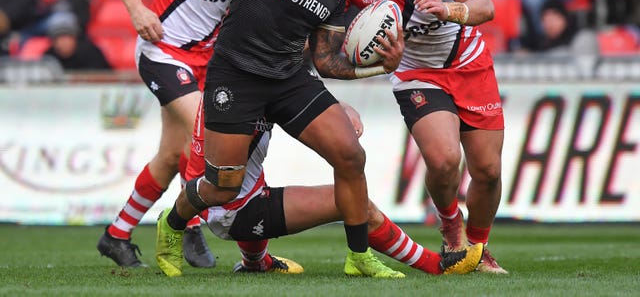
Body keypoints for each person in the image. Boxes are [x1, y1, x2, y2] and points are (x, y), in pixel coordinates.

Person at [155, 0, 406, 279]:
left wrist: (381, 66)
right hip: (237, 73)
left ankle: (358, 256)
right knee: (223, 186)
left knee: (350, 155)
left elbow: (325, 62)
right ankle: (172, 222)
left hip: (288, 77)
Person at [97, 0, 254, 269]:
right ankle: (189, 225)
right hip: (162, 51)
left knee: (172, 155)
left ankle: (116, 235)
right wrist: (136, 10)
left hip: (209, 61)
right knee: (207, 130)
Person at [338, 0, 508, 274]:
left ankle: (478, 249)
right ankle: (450, 227)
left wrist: (450, 9)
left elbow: (484, 6)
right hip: (415, 74)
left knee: (488, 170)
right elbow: (320, 23)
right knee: (445, 159)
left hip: (470, 65)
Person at [183, 98, 484, 275]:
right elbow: (202, 173)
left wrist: (339, 107)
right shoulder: (234, 97)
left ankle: (255, 263)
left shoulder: (244, 80)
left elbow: (300, 93)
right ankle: (437, 265)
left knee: (255, 181)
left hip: (234, 203)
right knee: (353, 201)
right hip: (229, 210)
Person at [43, 11, 111, 70]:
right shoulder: (49, 58)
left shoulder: (91, 53)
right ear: (53, 42)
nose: (63, 42)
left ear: (75, 39)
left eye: (67, 37)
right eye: (59, 38)